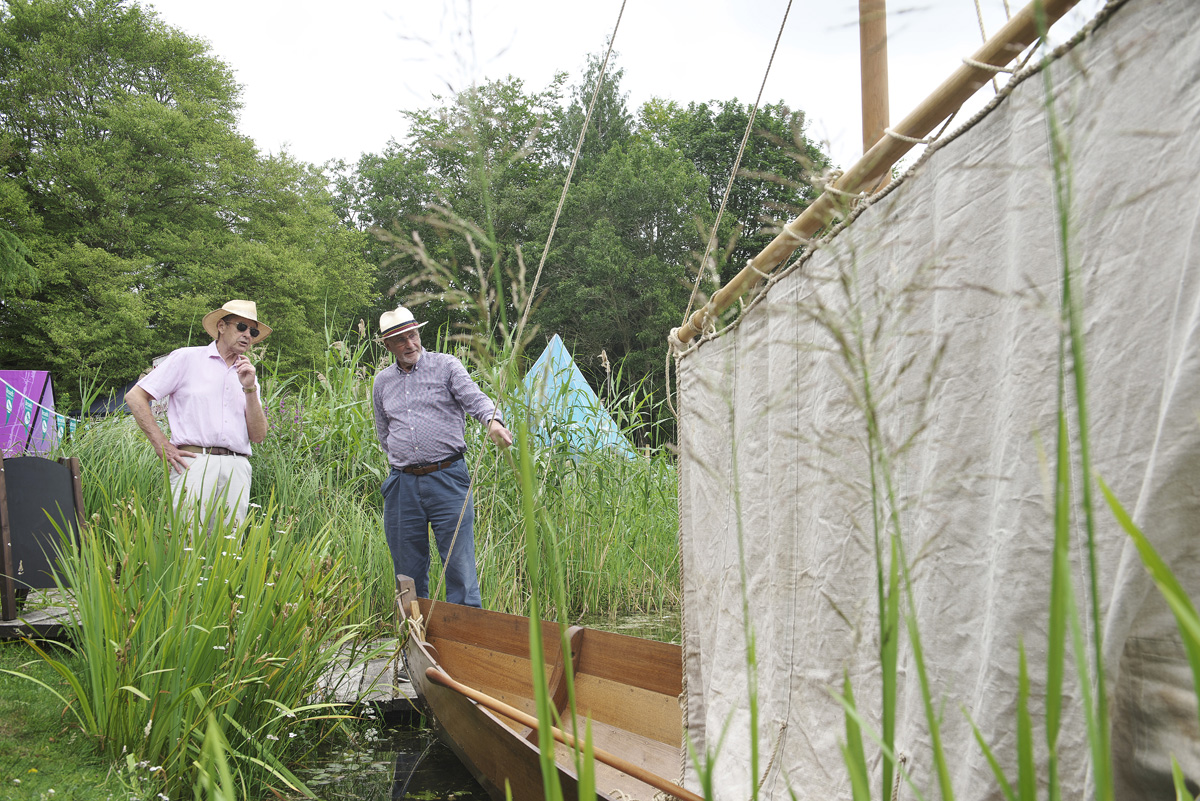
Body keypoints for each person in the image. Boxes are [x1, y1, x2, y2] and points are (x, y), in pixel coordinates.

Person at [372, 305, 513, 608]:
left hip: (448, 477)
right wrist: (404, 459)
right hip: (402, 485)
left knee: (459, 567)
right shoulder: (382, 382)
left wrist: (493, 423)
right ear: (387, 346)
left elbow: (476, 399)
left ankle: (464, 643)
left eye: (412, 335)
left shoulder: (446, 366)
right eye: (400, 340)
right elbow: (383, 432)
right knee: (406, 571)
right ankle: (415, 639)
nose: (410, 344)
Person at [125, 299, 271, 528]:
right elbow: (135, 397)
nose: (247, 335)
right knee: (186, 541)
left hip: (237, 465)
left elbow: (258, 436)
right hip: (194, 461)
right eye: (241, 327)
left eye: (252, 331)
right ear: (221, 326)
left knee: (229, 549)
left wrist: (250, 388)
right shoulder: (187, 358)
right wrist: (161, 444)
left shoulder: (247, 374)